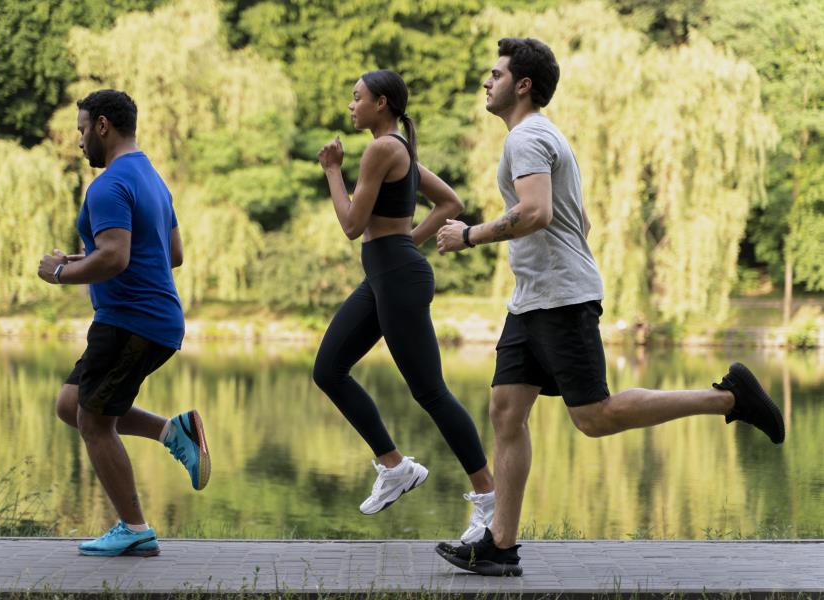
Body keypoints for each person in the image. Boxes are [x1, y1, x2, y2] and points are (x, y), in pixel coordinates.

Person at [433, 38, 785, 576]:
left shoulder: (527, 137)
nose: (487, 81)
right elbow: (581, 221)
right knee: (506, 411)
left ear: (522, 85)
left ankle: (729, 399)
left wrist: (470, 235)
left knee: (594, 418)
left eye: (496, 73)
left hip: (560, 298)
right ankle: (500, 544)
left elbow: (535, 213)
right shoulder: (540, 137)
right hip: (534, 298)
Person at [314, 70, 495, 542]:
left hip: (395, 277)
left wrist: (332, 170)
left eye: (357, 98)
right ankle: (395, 467)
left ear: (383, 103)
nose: (351, 105)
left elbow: (353, 224)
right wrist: (408, 242)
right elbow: (449, 202)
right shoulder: (401, 151)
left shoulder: (381, 149)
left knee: (430, 391)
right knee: (328, 369)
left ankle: (489, 498)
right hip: (385, 275)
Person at [38, 89, 211, 557]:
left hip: (130, 321)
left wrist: (59, 273)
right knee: (71, 403)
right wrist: (82, 258)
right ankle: (172, 431)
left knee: (93, 423)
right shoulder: (153, 179)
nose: (78, 143)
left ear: (102, 127)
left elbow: (115, 256)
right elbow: (171, 254)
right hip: (153, 319)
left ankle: (134, 527)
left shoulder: (109, 184)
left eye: (80, 131)